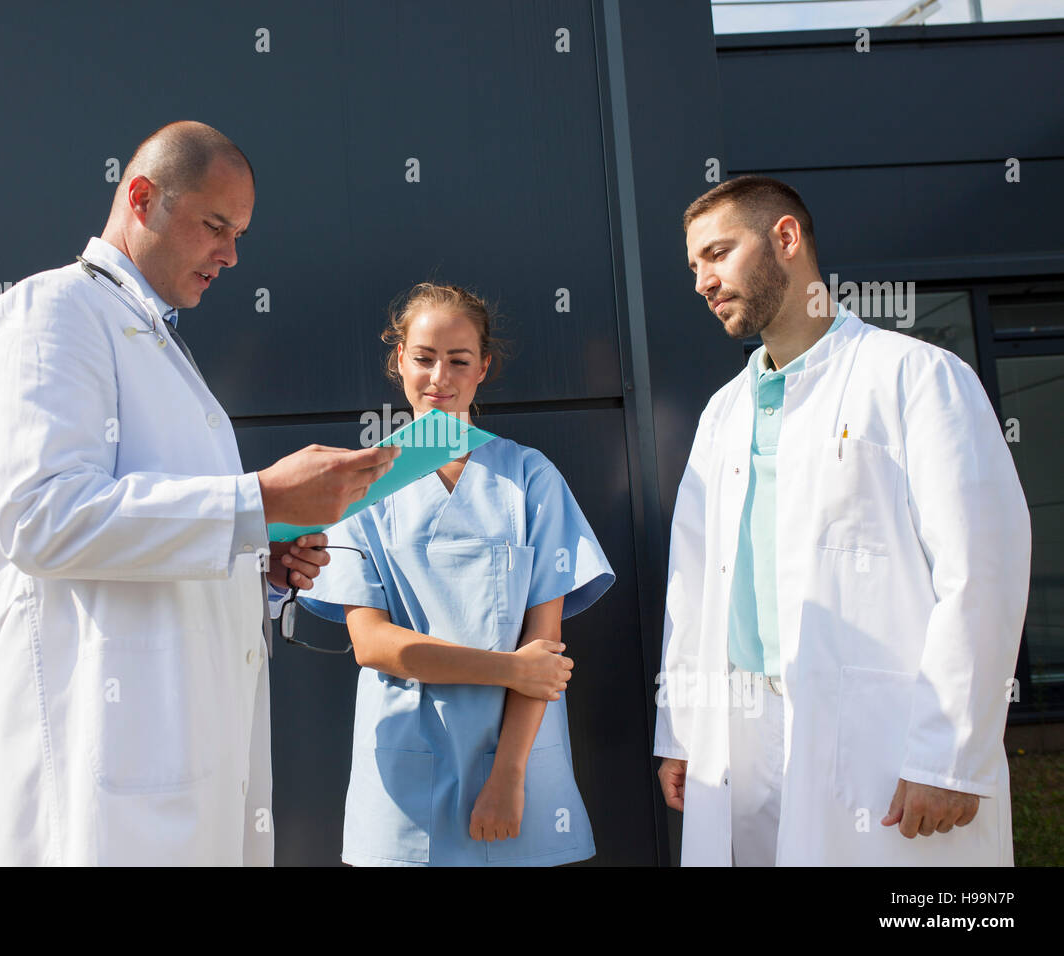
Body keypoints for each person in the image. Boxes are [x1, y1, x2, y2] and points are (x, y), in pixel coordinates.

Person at [0, 121, 398, 866]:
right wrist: (256, 502)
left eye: (240, 233)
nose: (230, 255)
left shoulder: (152, 341)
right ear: (141, 199)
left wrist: (262, 557)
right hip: (104, 772)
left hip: (187, 767)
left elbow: (159, 536)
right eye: (215, 226)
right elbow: (43, 519)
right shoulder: (52, 313)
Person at [655, 175, 1031, 865]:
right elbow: (692, 581)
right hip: (743, 729)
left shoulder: (915, 377)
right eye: (693, 267)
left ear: (786, 239)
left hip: (882, 732)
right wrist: (682, 731)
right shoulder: (723, 412)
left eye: (717, 254)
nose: (703, 281)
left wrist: (949, 756)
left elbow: (983, 572)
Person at [297, 282, 615, 866]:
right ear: (400, 362)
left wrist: (509, 775)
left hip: (514, 762)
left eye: (459, 360)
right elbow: (371, 643)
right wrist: (511, 669)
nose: (439, 376)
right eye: (423, 358)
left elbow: (543, 647)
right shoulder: (362, 487)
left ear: (483, 368)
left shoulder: (529, 477)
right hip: (405, 771)